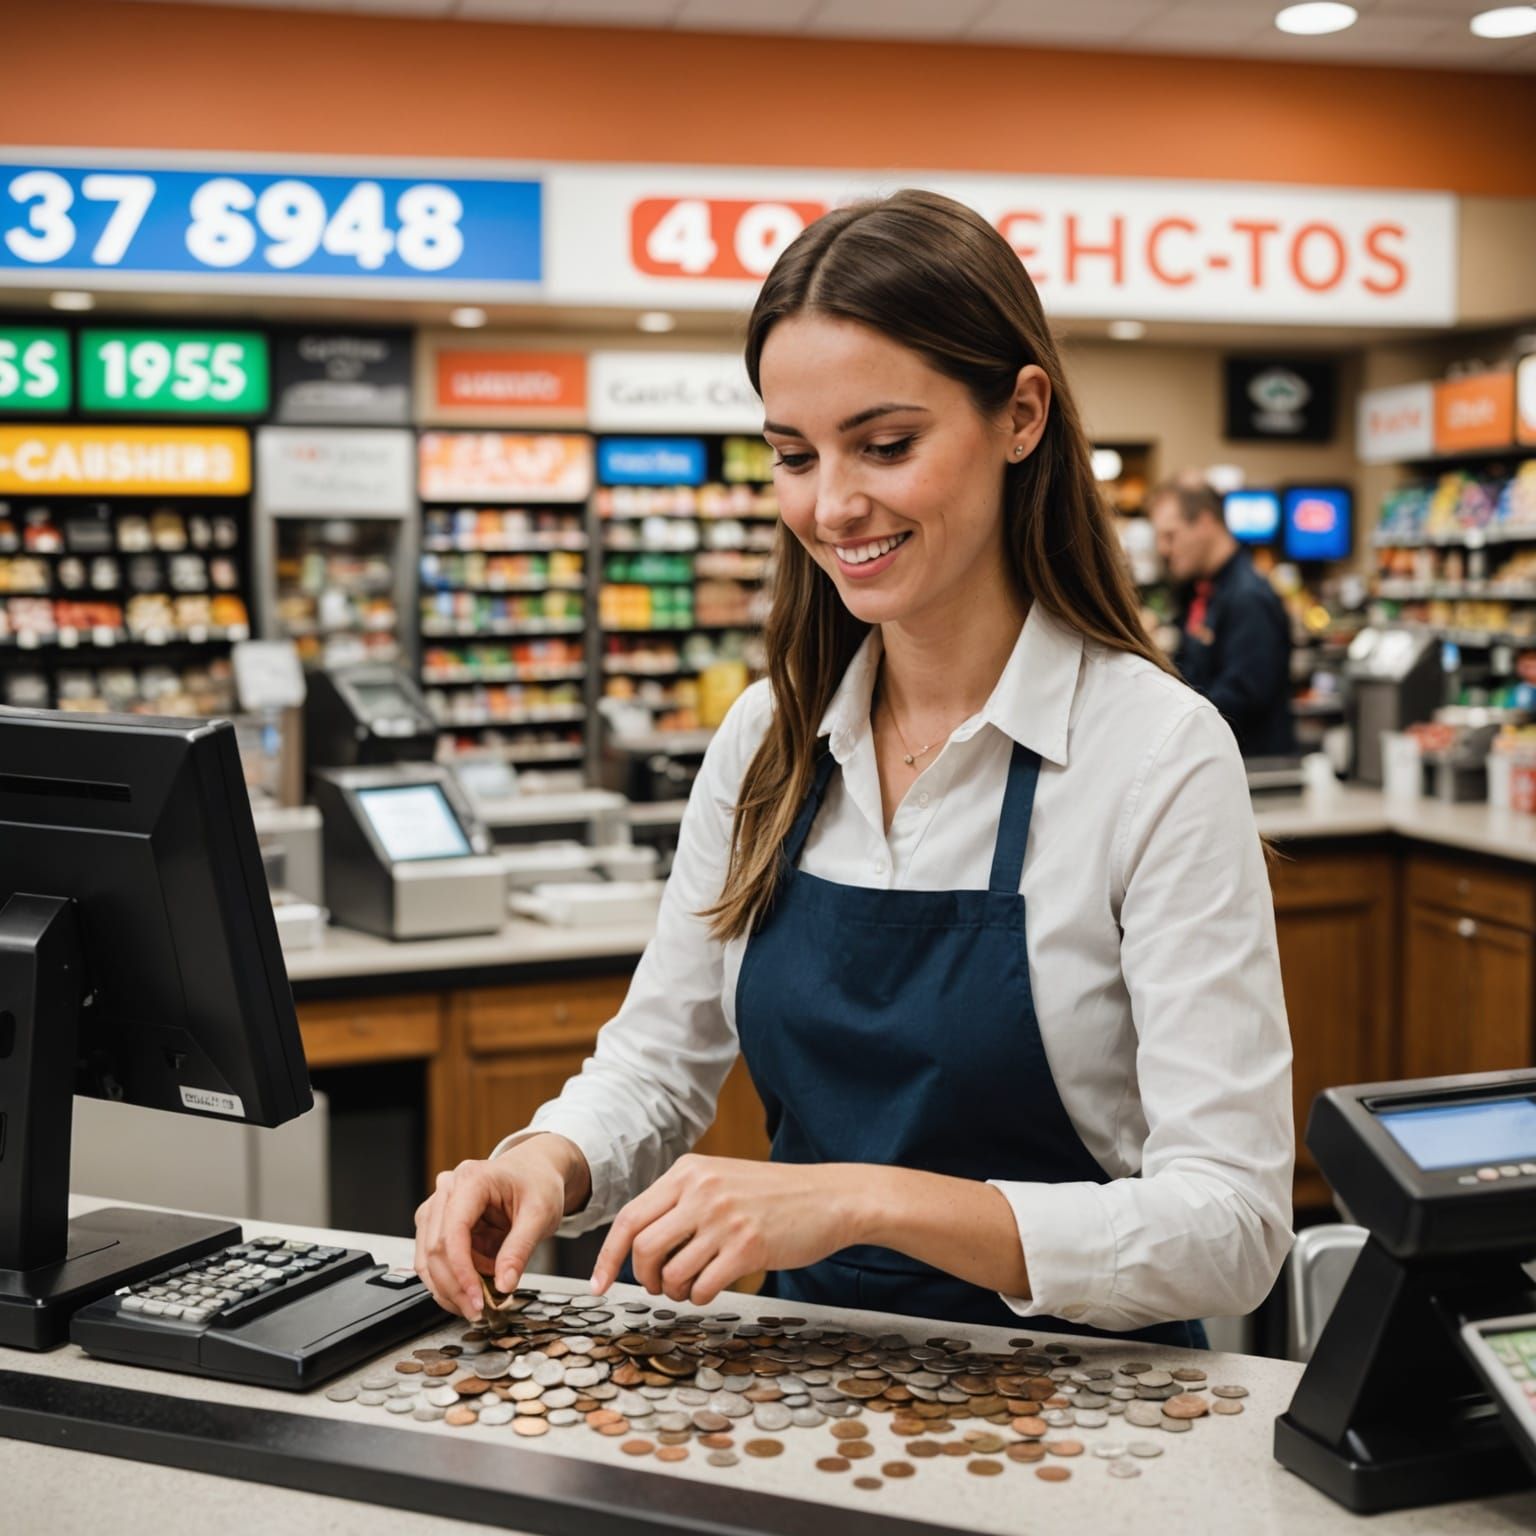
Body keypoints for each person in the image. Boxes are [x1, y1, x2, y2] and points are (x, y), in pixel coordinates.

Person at [414, 189, 1294, 1349]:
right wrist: (547, 1158)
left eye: (886, 445)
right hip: (815, 1387)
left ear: (1021, 414)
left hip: (1093, 1408)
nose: (832, 507)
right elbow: (660, 1059)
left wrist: (861, 1198)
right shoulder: (767, 744)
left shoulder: (1157, 756)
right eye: (793, 454)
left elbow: (1230, 1226)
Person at [1149, 480, 1297, 758]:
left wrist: (1168, 722)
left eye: (1171, 535)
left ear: (1205, 523)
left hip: (1255, 772)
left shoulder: (1249, 597)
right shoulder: (1201, 589)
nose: (1164, 549)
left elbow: (1244, 696)